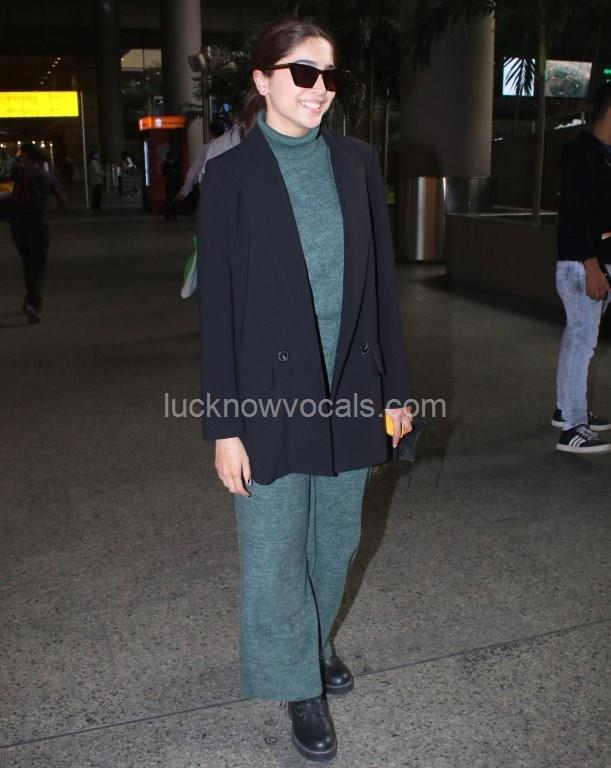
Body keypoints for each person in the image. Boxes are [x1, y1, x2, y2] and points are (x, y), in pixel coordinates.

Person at [196, 18, 412, 762]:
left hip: (351, 384)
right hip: (267, 396)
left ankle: (312, 644)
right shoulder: (230, 176)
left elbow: (381, 289)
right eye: (302, 73)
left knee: (335, 539)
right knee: (273, 551)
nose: (320, 90)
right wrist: (224, 426)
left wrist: (395, 394)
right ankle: (297, 684)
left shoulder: (356, 162)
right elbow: (218, 312)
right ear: (262, 80)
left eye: (329, 76)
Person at [553, 82, 611, 454]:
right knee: (582, 342)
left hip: (589, 263)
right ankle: (573, 428)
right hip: (582, 265)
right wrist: (592, 266)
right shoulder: (583, 155)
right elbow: (574, 215)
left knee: (576, 338)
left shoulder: (599, 155)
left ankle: (567, 410)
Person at [9, 143, 67, 323]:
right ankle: (33, 304)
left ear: (26, 156)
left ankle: (29, 300)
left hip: (18, 226)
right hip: (38, 226)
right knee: (38, 265)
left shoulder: (17, 174)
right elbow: (63, 201)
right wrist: (52, 215)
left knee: (27, 263)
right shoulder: (46, 176)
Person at [176, 120, 226, 204]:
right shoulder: (231, 147)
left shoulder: (206, 149)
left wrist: (184, 191)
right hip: (229, 190)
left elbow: (194, 172)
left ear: (210, 132)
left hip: (210, 190)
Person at [161, 151, 182, 221]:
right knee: (170, 199)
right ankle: (169, 214)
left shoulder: (176, 163)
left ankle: (172, 214)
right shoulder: (167, 164)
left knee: (172, 199)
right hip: (171, 184)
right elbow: (164, 173)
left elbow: (180, 171)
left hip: (173, 183)